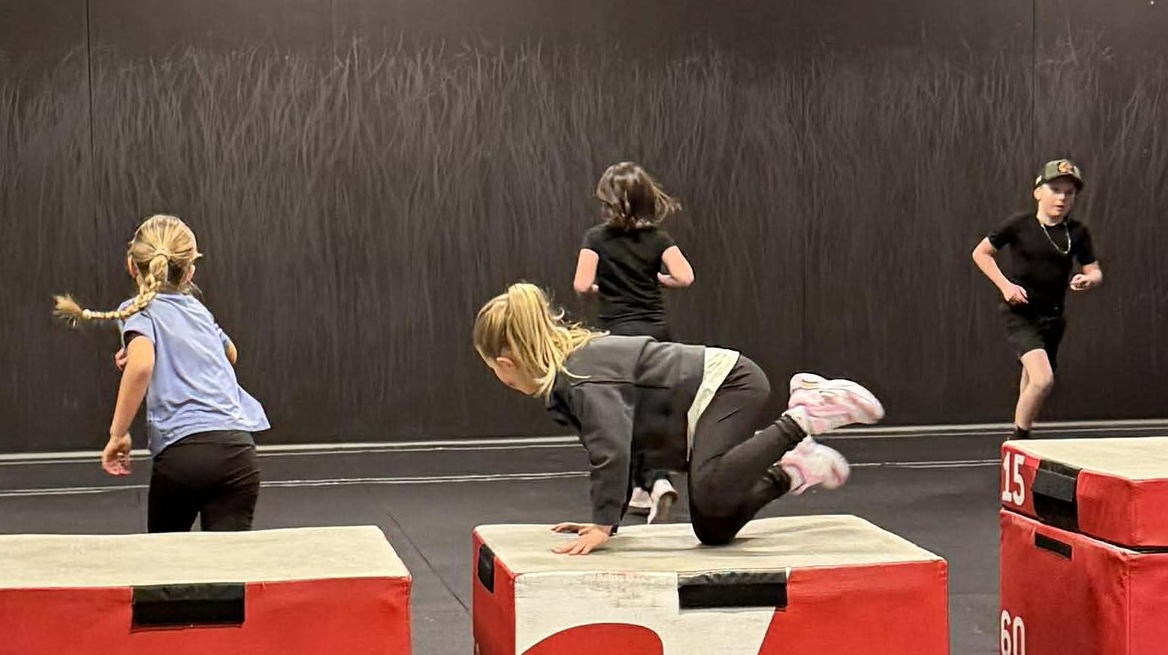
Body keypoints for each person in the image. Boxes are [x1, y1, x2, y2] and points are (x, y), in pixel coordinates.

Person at [472, 282, 879, 556]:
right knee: (713, 527)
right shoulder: (571, 379)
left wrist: (601, 524)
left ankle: (804, 413)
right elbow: (624, 445)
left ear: (506, 363)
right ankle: (792, 470)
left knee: (710, 486)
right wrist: (607, 523)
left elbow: (611, 450)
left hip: (729, 382)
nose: (499, 378)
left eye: (492, 369)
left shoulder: (581, 377)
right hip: (700, 405)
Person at [54, 214, 266, 532]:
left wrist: (117, 434)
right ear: (190, 270)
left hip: (184, 454)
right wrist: (170, 352)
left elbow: (141, 366)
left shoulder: (139, 310)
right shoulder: (198, 309)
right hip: (238, 452)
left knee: (165, 558)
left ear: (132, 266)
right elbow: (230, 354)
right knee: (227, 561)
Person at [972, 158, 1103, 432]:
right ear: (1038, 192)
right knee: (1043, 380)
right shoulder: (1019, 225)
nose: (1062, 198)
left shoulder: (1077, 233)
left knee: (1031, 383)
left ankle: (1021, 443)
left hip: (1053, 319)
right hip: (1021, 314)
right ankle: (1019, 438)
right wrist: (1005, 286)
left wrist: (1088, 279)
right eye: (1055, 190)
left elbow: (1094, 271)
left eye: (1069, 193)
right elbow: (981, 253)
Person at [574, 161, 694, 337]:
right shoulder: (659, 238)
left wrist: (601, 288)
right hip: (655, 330)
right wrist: (659, 280)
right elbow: (685, 278)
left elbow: (582, 285)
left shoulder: (594, 238)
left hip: (616, 331)